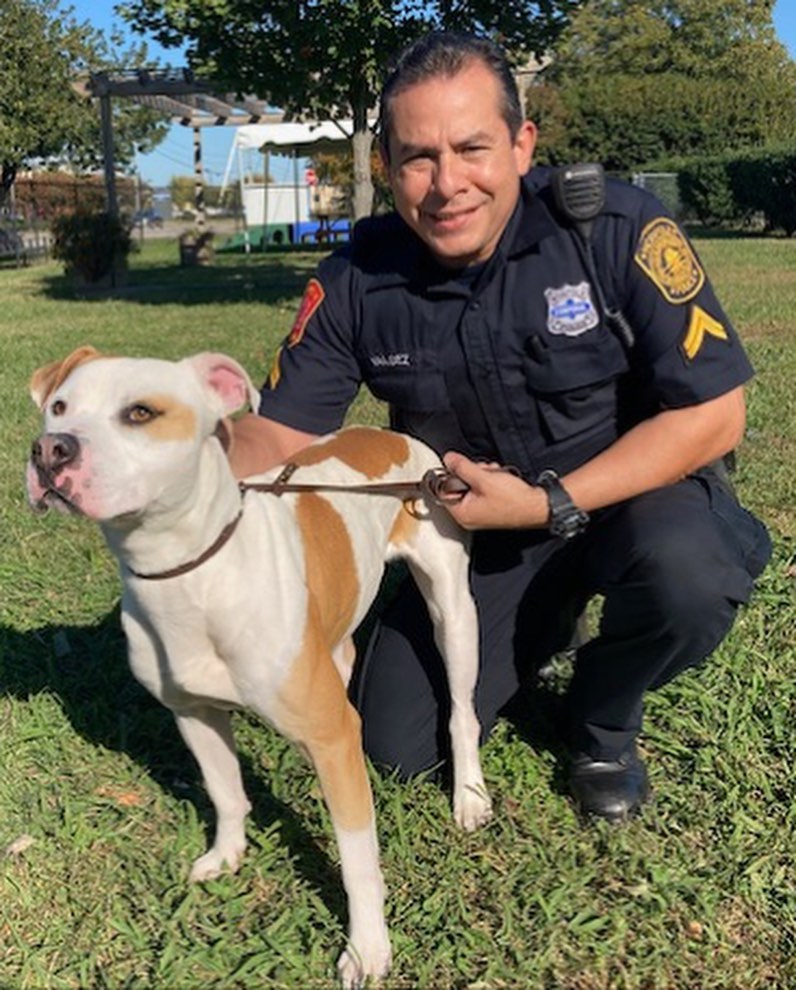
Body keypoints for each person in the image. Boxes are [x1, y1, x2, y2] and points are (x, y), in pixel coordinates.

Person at [229, 30, 771, 821]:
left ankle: (603, 721)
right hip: (484, 535)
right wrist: (186, 443)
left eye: (472, 148)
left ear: (522, 144)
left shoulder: (612, 229)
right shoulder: (359, 279)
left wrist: (551, 502)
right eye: (417, 157)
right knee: (398, 747)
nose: (447, 183)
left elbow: (715, 414)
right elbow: (275, 440)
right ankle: (538, 631)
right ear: (385, 165)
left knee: (690, 574)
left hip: (633, 503)